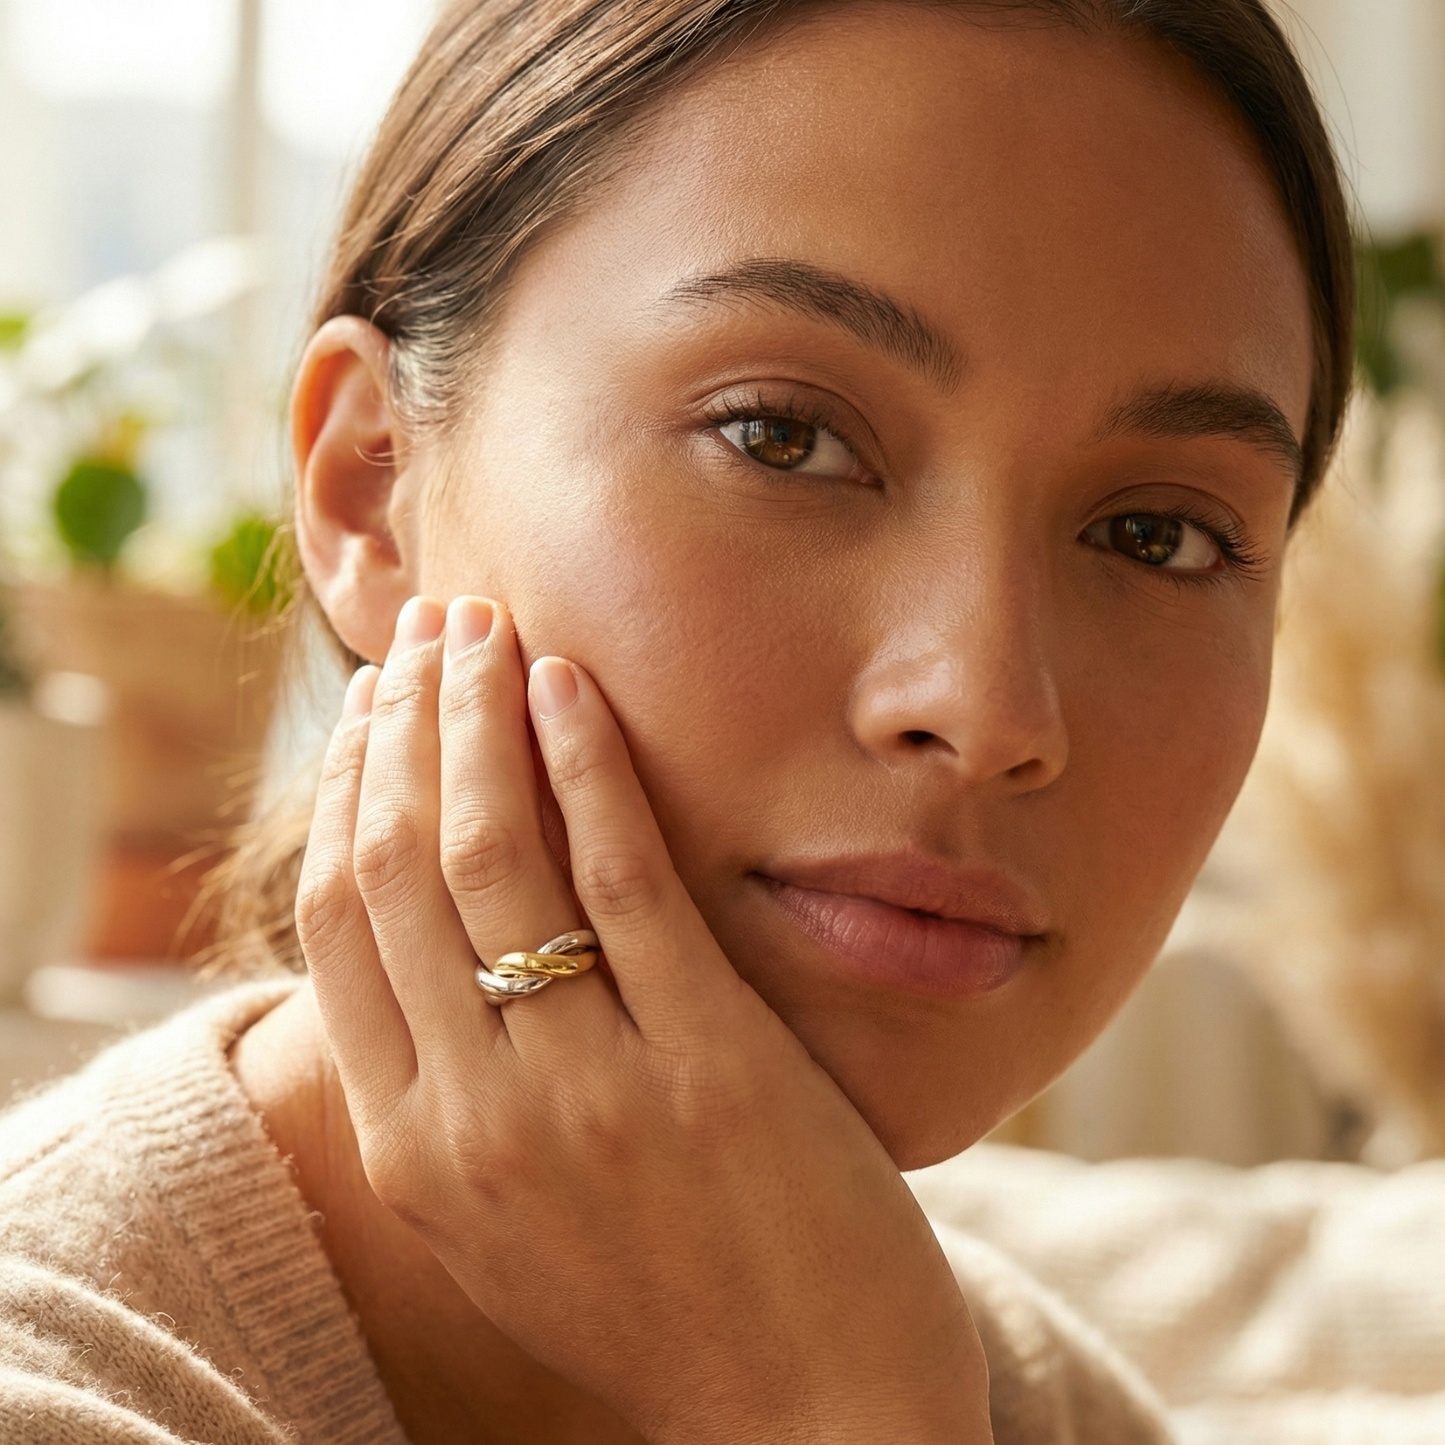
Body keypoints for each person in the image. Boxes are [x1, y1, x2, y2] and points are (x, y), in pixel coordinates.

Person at [0, 1, 1355, 1441]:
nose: (988, 705)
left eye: (1159, 536)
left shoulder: (1007, 1395)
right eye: (783, 437)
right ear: (369, 486)